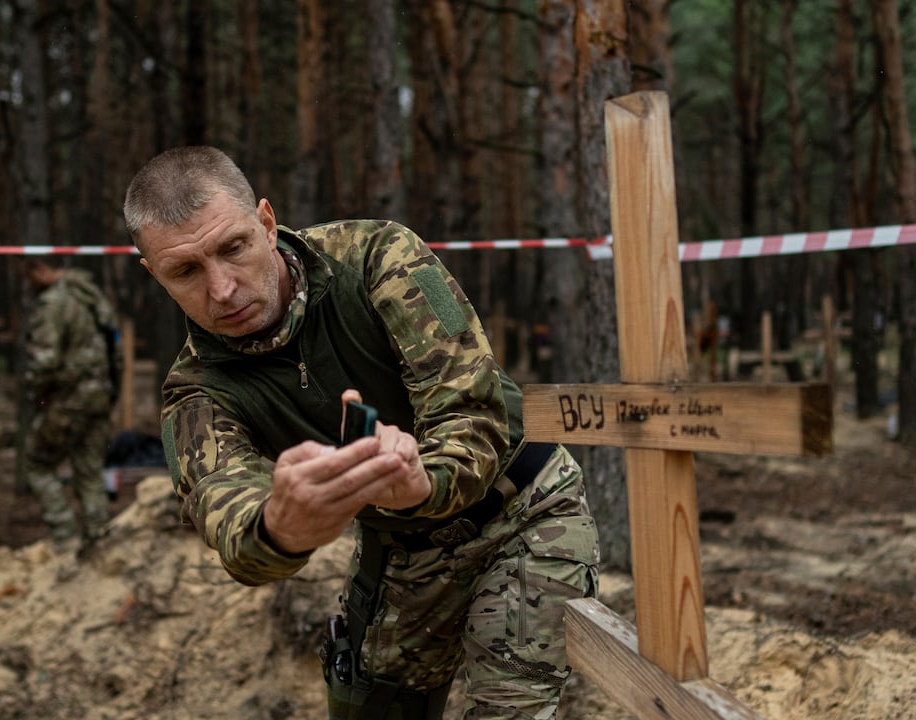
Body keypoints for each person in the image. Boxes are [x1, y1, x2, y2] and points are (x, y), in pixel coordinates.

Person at [124, 146, 599, 719]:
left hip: (524, 511)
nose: (222, 289)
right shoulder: (195, 393)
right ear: (154, 276)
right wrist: (279, 527)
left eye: (233, 248)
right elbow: (232, 523)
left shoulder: (376, 257)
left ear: (267, 224)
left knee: (508, 707)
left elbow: (476, 412)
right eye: (186, 271)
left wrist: (424, 480)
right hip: (401, 550)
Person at [21, 257, 121, 553]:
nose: (29, 283)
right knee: (90, 472)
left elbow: (44, 361)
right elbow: (115, 347)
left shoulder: (53, 303)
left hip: (67, 402)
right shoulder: (91, 295)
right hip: (98, 399)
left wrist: (37, 394)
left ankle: (64, 538)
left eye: (29, 275)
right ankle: (100, 541)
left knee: (37, 464)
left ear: (41, 268)